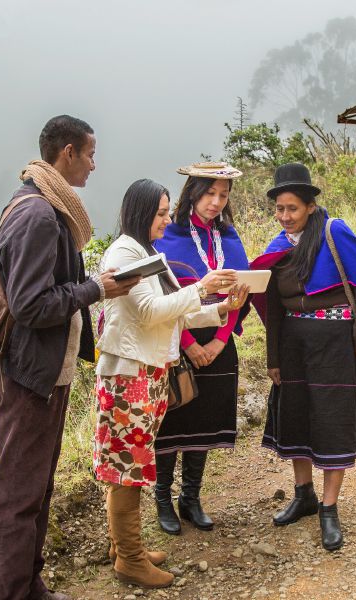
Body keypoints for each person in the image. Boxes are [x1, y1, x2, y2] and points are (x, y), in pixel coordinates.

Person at [0, 115, 140, 600]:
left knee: (36, 487)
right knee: (15, 496)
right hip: (31, 374)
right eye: (90, 154)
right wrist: (97, 288)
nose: (94, 165)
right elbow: (30, 305)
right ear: (67, 152)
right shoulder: (37, 216)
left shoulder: (49, 208)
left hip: (46, 371)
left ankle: (30, 584)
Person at [94, 178, 249, 588]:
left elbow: (171, 313)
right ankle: (129, 558)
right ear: (143, 212)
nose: (167, 219)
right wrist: (201, 288)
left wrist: (218, 310)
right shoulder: (125, 252)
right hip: (130, 374)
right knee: (128, 467)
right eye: (161, 213)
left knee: (132, 462)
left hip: (147, 371)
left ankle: (124, 547)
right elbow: (148, 312)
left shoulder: (144, 252)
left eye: (167, 212)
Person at [250, 163, 356, 552]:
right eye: (279, 209)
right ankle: (304, 495)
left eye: (292, 208)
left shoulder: (334, 233)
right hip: (294, 347)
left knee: (332, 420)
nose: (285, 216)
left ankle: (329, 509)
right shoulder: (278, 248)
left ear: (310, 206)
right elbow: (273, 306)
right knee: (297, 419)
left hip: (335, 347)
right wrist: (273, 357)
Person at [150, 162, 249, 535]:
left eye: (223, 196)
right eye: (209, 194)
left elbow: (244, 298)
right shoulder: (168, 237)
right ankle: (162, 498)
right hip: (178, 347)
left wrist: (221, 339)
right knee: (171, 420)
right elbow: (162, 296)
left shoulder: (229, 238)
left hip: (220, 344)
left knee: (204, 422)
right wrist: (190, 346)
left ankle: (190, 498)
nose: (216, 202)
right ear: (192, 193)